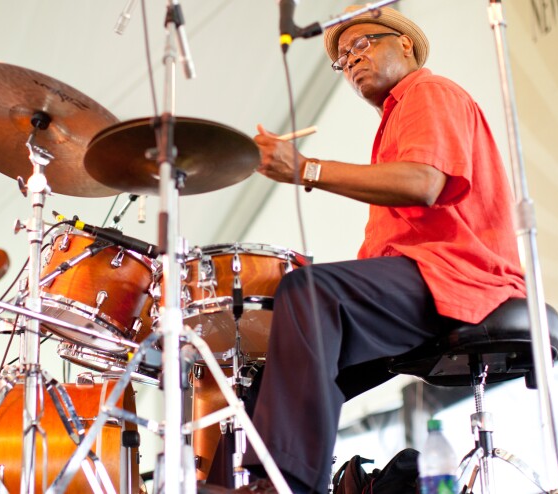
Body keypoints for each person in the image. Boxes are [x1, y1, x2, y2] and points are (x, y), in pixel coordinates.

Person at [205, 5, 528, 493]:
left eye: (364, 44)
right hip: (424, 281)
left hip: (461, 277)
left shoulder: (427, 91)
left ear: (404, 44)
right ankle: (237, 484)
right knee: (263, 380)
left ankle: (285, 483)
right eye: (342, 58)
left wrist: (307, 169)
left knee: (310, 293)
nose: (351, 59)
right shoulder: (395, 121)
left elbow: (423, 183)